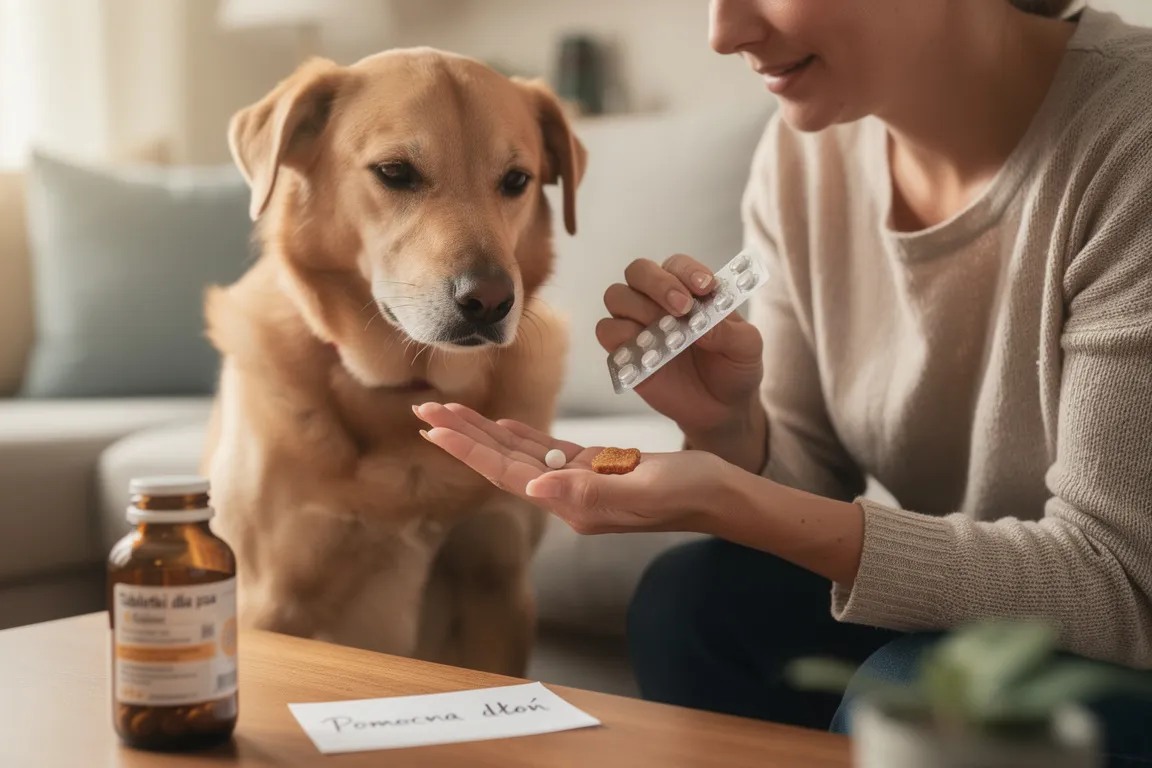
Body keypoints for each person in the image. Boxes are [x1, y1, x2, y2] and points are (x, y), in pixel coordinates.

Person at [415, 0, 1152, 762]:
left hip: (1128, 632)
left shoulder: (1133, 139)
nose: (722, 33)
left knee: (913, 692)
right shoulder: (806, 156)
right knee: (692, 605)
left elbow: (1124, 584)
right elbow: (810, 488)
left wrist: (727, 497)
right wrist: (725, 427)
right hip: (1007, 619)